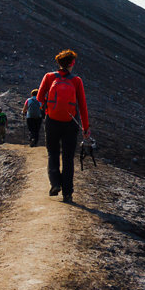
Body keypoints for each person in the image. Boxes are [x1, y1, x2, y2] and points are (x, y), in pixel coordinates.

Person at [36, 49, 89, 204]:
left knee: (52, 153)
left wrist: (47, 110)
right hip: (70, 123)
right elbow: (83, 106)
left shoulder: (49, 77)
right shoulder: (76, 80)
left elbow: (39, 98)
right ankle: (68, 193)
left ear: (58, 63)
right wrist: (86, 128)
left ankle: (55, 184)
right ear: (72, 63)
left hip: (52, 121)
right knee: (68, 158)